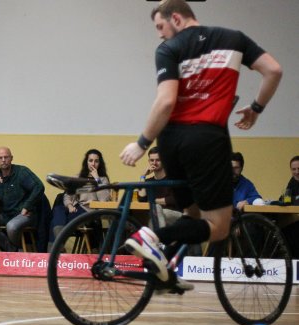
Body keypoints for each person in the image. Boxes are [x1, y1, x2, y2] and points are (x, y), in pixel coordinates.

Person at [119, 0, 282, 291]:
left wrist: (144, 142)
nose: (159, 34)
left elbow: (167, 101)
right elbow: (274, 70)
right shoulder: (234, 39)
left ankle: (164, 270)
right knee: (219, 227)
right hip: (206, 140)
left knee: (192, 213)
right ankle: (150, 238)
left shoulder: (168, 50)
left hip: (170, 142)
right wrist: (256, 107)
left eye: (160, 26)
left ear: (177, 18)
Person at [0, 146, 45, 252]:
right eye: (0, 158)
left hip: (23, 214)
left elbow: (39, 186)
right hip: (6, 214)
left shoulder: (21, 172)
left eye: (6, 157)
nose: (3, 160)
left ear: (11, 158)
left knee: (11, 226)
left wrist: (27, 206)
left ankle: (13, 252)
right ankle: (13, 250)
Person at [50, 149, 112, 242]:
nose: (93, 164)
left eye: (96, 161)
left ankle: (56, 244)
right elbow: (68, 195)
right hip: (76, 208)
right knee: (58, 209)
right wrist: (69, 205)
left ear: (100, 163)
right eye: (90, 160)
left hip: (89, 211)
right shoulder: (78, 178)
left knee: (60, 221)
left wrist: (97, 179)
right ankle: (58, 236)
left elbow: (104, 200)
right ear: (86, 162)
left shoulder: (102, 180)